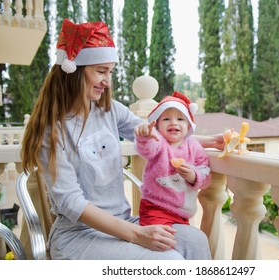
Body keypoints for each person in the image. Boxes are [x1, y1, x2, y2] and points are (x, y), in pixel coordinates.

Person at [21, 18, 223, 260]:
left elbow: (157, 134)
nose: (108, 82)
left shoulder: (110, 110)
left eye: (110, 72)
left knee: (196, 241)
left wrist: (210, 141)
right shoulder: (50, 131)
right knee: (168, 261)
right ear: (73, 70)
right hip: (79, 236)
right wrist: (137, 234)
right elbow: (71, 203)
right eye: (101, 71)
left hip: (122, 222)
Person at [135, 92, 211, 227]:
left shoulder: (194, 147)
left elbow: (205, 173)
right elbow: (147, 149)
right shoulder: (159, 141)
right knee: (161, 242)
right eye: (166, 119)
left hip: (182, 214)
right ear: (157, 126)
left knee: (181, 243)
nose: (173, 123)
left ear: (188, 126)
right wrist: (145, 137)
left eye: (180, 119)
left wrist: (193, 176)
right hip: (155, 208)